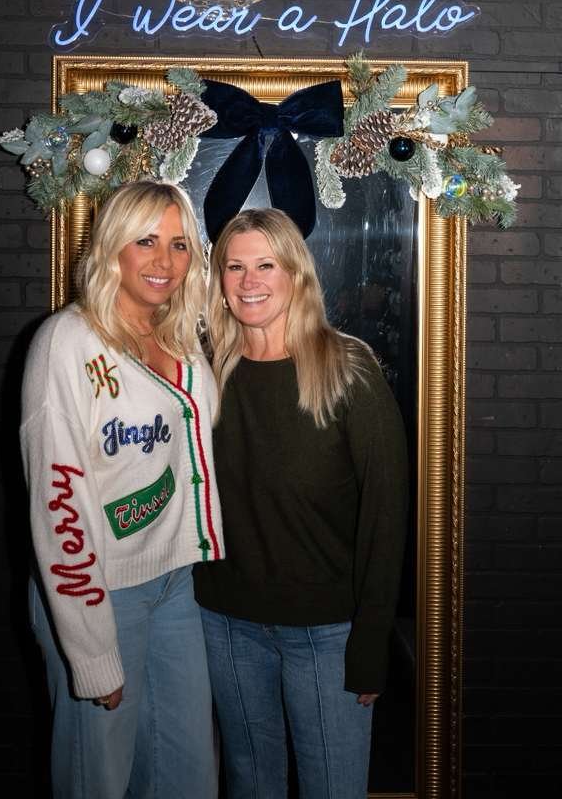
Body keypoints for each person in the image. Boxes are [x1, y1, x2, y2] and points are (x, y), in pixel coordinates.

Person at [193, 208, 409, 799]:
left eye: (266, 264)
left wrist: (372, 641)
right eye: (234, 266)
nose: (249, 280)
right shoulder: (205, 372)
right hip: (226, 622)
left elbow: (386, 519)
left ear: (297, 275)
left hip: (326, 633)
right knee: (250, 784)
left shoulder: (347, 369)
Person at [21, 180, 224, 799]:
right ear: (113, 247)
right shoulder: (68, 341)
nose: (164, 261)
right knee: (98, 781)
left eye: (179, 244)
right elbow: (59, 507)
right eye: (146, 241)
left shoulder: (185, 344)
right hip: (100, 590)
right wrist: (91, 649)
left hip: (176, 586)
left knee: (191, 776)